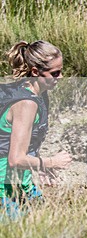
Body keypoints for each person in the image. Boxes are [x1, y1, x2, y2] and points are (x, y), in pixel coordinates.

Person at [0, 40, 72, 218]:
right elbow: (15, 159)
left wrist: (39, 168)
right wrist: (51, 162)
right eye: (55, 73)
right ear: (35, 72)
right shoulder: (27, 104)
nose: (60, 77)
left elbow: (25, 146)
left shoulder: (38, 94)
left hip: (22, 183)